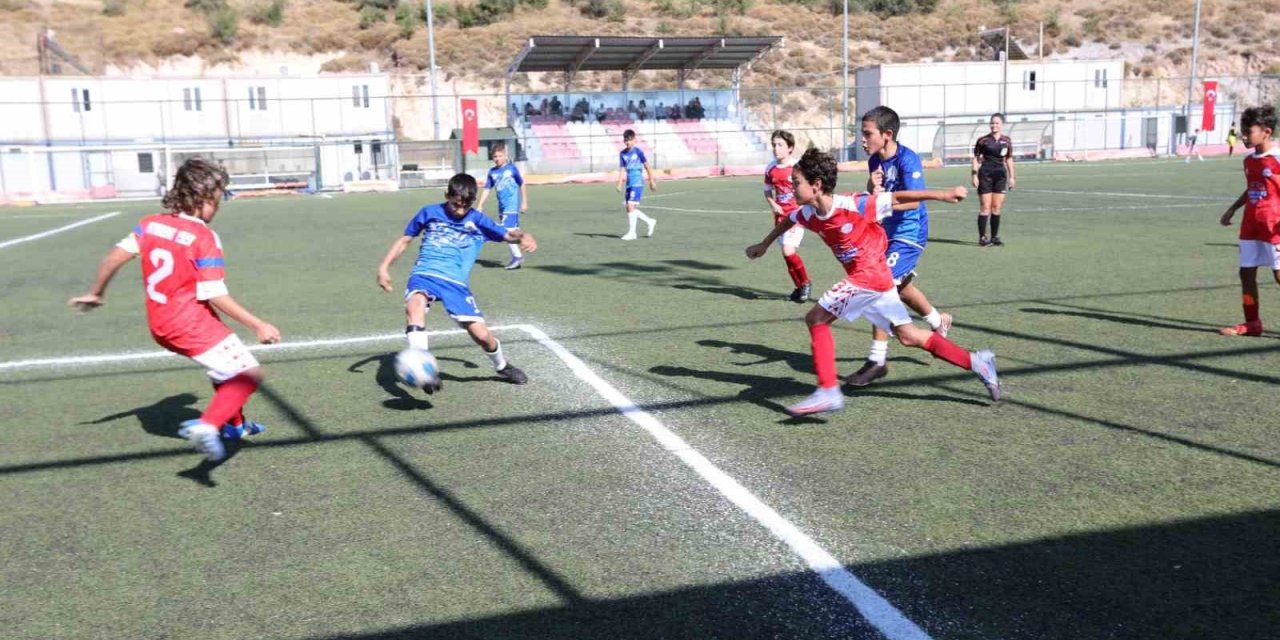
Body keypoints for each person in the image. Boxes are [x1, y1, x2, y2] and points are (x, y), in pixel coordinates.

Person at [745, 149, 1000, 416]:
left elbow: (900, 197)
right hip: (877, 281)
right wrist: (764, 244)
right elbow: (789, 219)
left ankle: (828, 391)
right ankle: (977, 362)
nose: (791, 187)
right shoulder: (808, 213)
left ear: (816, 186)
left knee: (816, 319)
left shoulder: (854, 204)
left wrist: (944, 194)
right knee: (909, 336)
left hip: (869, 277)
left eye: (796, 182)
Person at [69, 158, 281, 462]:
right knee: (249, 373)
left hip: (161, 324)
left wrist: (95, 292)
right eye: (217, 200)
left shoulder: (150, 224)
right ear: (202, 199)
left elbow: (114, 257)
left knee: (225, 366)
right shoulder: (203, 236)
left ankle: (235, 427)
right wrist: (257, 324)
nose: (217, 208)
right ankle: (208, 426)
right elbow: (214, 292)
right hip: (189, 322)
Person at [377, 173, 537, 387]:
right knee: (414, 305)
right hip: (425, 273)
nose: (461, 210)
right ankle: (423, 365)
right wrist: (384, 267)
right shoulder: (429, 212)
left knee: (481, 336)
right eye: (456, 205)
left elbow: (508, 235)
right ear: (447, 195)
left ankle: (501, 366)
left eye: (466, 206)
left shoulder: (477, 220)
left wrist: (523, 235)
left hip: (455, 283)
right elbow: (405, 240)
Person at [846, 106, 953, 387]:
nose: (863, 139)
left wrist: (884, 197)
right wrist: (872, 188)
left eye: (868, 134)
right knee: (902, 287)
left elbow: (915, 201)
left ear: (887, 134)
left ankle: (877, 360)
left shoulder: (908, 160)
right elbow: (877, 197)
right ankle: (936, 321)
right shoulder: (874, 162)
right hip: (885, 233)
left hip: (909, 233)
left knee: (880, 285)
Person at [1218, 105, 1280, 337]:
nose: (1244, 135)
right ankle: (1252, 323)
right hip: (1251, 225)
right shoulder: (1249, 160)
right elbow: (1252, 188)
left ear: (1266, 131)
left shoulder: (1276, 160)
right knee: (1246, 274)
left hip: (1274, 225)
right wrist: (1232, 209)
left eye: (1248, 130)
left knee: (1279, 275)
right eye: (1243, 130)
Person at [762, 129, 811, 303]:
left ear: (790, 148)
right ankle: (799, 287)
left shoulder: (796, 167)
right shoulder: (771, 168)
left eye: (780, 145)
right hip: (780, 218)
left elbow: (807, 188)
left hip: (796, 215)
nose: (776, 148)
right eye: (774, 145)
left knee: (788, 250)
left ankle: (805, 284)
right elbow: (767, 191)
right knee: (786, 255)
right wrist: (773, 204)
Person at [476, 142, 529, 270]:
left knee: (505, 231)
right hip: (502, 207)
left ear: (505, 155)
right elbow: (487, 188)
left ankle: (517, 256)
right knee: (512, 231)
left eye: (500, 156)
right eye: (495, 156)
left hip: (511, 206)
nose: (497, 159)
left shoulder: (511, 169)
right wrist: (480, 205)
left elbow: (521, 184)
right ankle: (520, 252)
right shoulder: (492, 172)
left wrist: (524, 202)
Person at [972, 112, 1016, 246]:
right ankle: (982, 237)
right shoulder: (983, 140)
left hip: (1000, 175)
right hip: (985, 174)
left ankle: (995, 237)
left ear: (1002, 125)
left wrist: (1012, 177)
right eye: (992, 123)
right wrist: (974, 174)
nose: (994, 125)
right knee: (985, 207)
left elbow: (1009, 158)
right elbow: (976, 158)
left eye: (996, 123)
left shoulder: (1006, 141)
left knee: (996, 207)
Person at [615, 129, 658, 240]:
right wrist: (619, 183)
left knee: (630, 205)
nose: (627, 142)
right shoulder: (622, 154)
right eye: (625, 140)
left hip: (637, 182)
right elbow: (622, 169)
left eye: (629, 140)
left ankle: (632, 233)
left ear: (634, 140)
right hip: (629, 183)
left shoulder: (638, 152)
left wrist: (652, 181)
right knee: (630, 208)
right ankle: (650, 221)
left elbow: (647, 167)